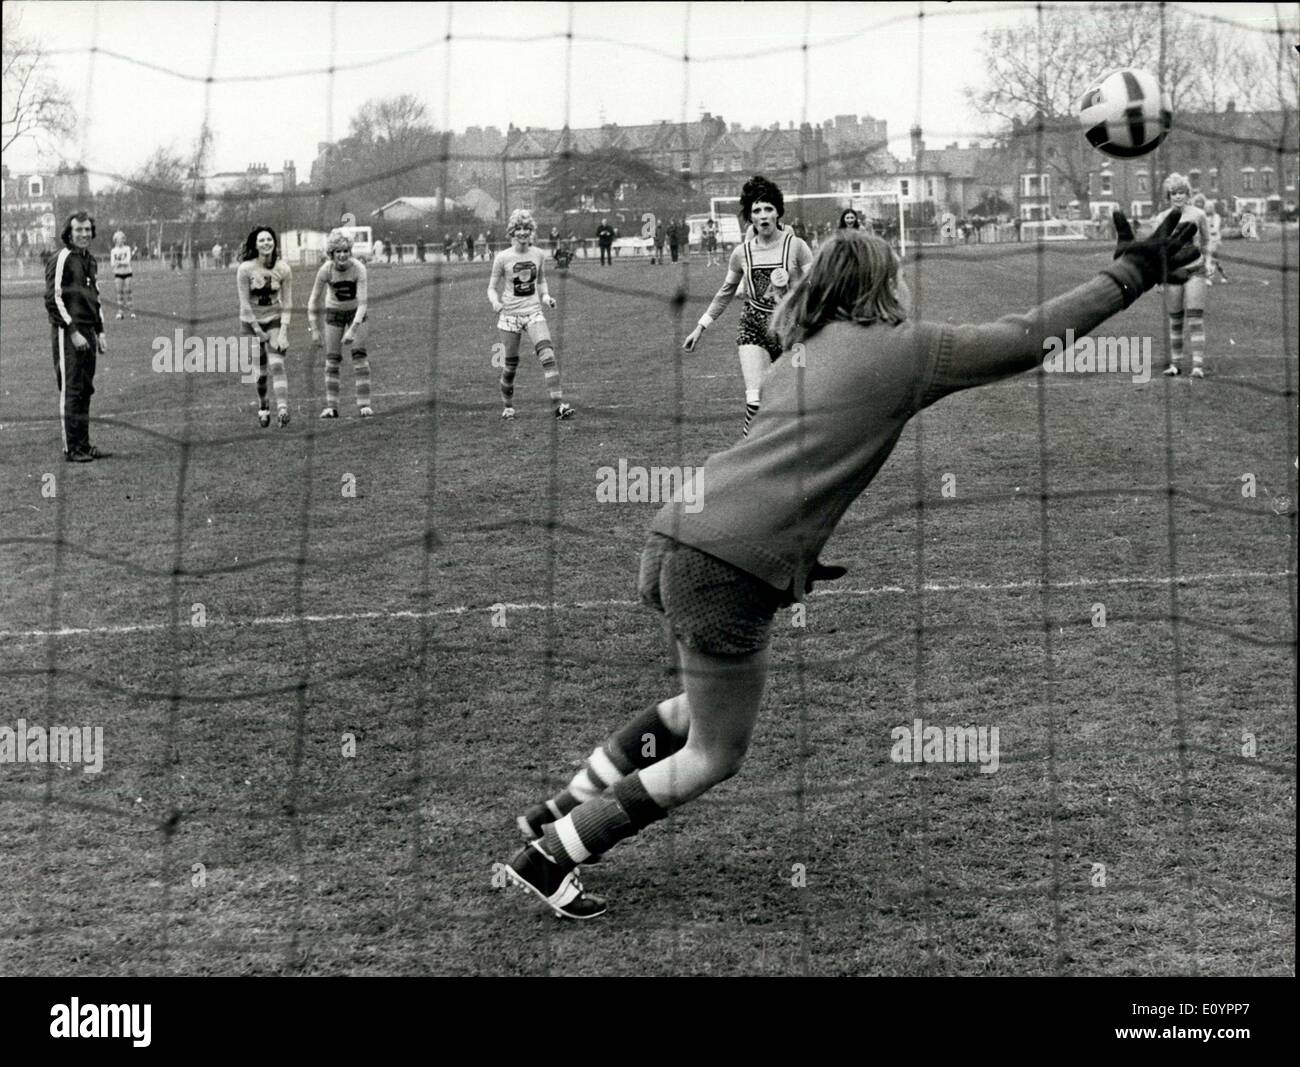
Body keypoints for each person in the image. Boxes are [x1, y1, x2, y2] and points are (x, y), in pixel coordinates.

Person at [501, 213, 1199, 920]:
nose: (904, 284)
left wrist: (799, 550)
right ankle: (554, 850)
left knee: (689, 709)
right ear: (877, 284)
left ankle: (555, 810)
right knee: (715, 752)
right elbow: (1027, 338)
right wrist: (1129, 276)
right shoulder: (906, 350)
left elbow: (779, 463)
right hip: (724, 565)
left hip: (680, 534)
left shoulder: (798, 350)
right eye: (896, 273)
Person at [682, 175, 814, 436]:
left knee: (798, 402)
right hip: (753, 326)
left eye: (768, 208)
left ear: (778, 213)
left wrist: (791, 288)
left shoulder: (797, 246)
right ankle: (747, 456)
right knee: (754, 399)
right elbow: (726, 292)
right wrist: (700, 326)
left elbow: (820, 285)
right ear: (749, 217)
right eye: (756, 210)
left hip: (793, 330)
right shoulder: (741, 253)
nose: (763, 215)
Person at [487, 208, 575, 421]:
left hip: (533, 312)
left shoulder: (539, 254)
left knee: (548, 356)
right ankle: (508, 407)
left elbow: (541, 280)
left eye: (527, 228)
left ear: (532, 231)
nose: (524, 233)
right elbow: (491, 287)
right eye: (519, 229)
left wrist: (546, 297)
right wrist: (495, 302)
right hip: (509, 317)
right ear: (512, 232)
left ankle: (559, 407)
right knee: (509, 366)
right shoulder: (502, 257)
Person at [45, 210, 108, 461]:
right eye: (78, 230)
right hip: (68, 333)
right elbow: (53, 298)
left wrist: (100, 331)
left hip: (89, 333)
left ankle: (84, 444)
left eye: (87, 229)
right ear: (69, 233)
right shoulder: (61, 258)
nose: (84, 234)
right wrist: (72, 331)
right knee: (71, 389)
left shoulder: (90, 260)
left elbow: (96, 298)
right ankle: (72, 448)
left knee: (85, 389)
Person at [1149, 173, 1211, 379]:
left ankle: (1198, 366)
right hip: (1172, 274)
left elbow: (1206, 241)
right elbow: (1157, 250)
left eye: (1181, 192)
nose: (1178, 196)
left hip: (1195, 270)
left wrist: (1208, 263)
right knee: (1175, 320)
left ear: (1188, 193)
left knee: (1195, 318)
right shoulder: (1161, 218)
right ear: (1169, 195)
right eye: (1174, 193)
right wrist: (1158, 278)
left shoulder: (1198, 214)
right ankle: (1175, 364)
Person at [309, 231, 373, 419]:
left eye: (346, 250)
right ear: (331, 253)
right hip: (334, 313)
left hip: (356, 313)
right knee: (332, 360)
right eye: (338, 251)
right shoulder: (326, 270)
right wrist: (314, 329)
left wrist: (353, 329)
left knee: (359, 356)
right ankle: (332, 407)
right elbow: (313, 300)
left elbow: (362, 303)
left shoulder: (359, 268)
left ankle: (364, 405)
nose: (343, 255)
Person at [236, 225, 293, 428]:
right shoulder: (245, 269)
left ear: (274, 243)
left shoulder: (283, 269)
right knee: (260, 372)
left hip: (274, 320)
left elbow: (287, 303)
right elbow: (244, 303)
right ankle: (263, 404)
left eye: (269, 239)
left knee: (277, 364)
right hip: (251, 323)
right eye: (261, 240)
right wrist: (258, 331)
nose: (266, 243)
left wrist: (284, 332)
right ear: (255, 244)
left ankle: (283, 409)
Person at [1196, 194, 1228, 284]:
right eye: (1206, 207)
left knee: (1209, 259)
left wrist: (1206, 231)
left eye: (1209, 207)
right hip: (1206, 240)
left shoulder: (1216, 217)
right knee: (1214, 260)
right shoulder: (1203, 217)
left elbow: (1215, 229)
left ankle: (1209, 278)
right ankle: (1224, 275)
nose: (1207, 209)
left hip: (1215, 240)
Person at [109, 229, 135, 319]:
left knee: (128, 291)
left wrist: (119, 263)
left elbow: (128, 261)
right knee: (119, 292)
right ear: (115, 240)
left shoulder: (127, 248)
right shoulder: (113, 251)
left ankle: (131, 311)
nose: (120, 241)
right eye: (118, 239)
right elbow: (112, 263)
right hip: (118, 273)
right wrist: (119, 263)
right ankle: (120, 312)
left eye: (122, 239)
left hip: (127, 272)